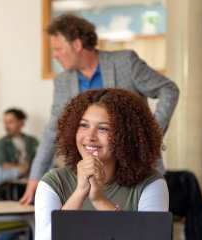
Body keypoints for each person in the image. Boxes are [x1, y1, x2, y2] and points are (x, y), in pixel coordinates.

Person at [20, 13, 179, 205]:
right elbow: (52, 130)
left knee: (138, 232)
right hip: (88, 177)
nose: (54, 55)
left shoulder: (125, 62)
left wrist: (149, 134)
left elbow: (168, 89)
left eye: (58, 49)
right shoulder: (63, 81)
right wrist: (35, 177)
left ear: (77, 45)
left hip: (134, 172)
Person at [34, 88, 169, 240]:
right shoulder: (53, 182)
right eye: (83, 125)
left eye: (103, 129)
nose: (90, 137)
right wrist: (79, 193)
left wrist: (99, 199)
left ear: (126, 135)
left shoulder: (151, 184)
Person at [0, 107, 39, 174]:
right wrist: (21, 167)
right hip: (12, 182)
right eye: (5, 122)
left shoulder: (32, 141)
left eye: (10, 122)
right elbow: (2, 165)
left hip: (32, 178)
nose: (6, 126)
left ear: (21, 123)